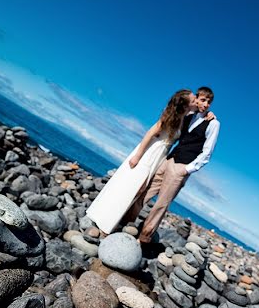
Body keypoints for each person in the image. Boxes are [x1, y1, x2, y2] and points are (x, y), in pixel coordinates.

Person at [85, 89, 198, 235]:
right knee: (131, 184)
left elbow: (200, 112)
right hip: (150, 152)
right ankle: (103, 218)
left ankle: (114, 219)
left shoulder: (186, 117)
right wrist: (138, 155)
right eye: (193, 99)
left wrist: (208, 114)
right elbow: (150, 133)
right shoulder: (172, 116)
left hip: (161, 156)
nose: (196, 100)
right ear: (185, 104)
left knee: (138, 189)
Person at [128, 86, 220, 244]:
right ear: (196, 99)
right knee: (146, 191)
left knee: (161, 204)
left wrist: (187, 169)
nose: (206, 104)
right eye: (203, 100)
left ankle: (144, 238)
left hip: (181, 167)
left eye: (209, 102)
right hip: (169, 159)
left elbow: (207, 154)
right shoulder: (189, 115)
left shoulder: (213, 124)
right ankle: (127, 222)